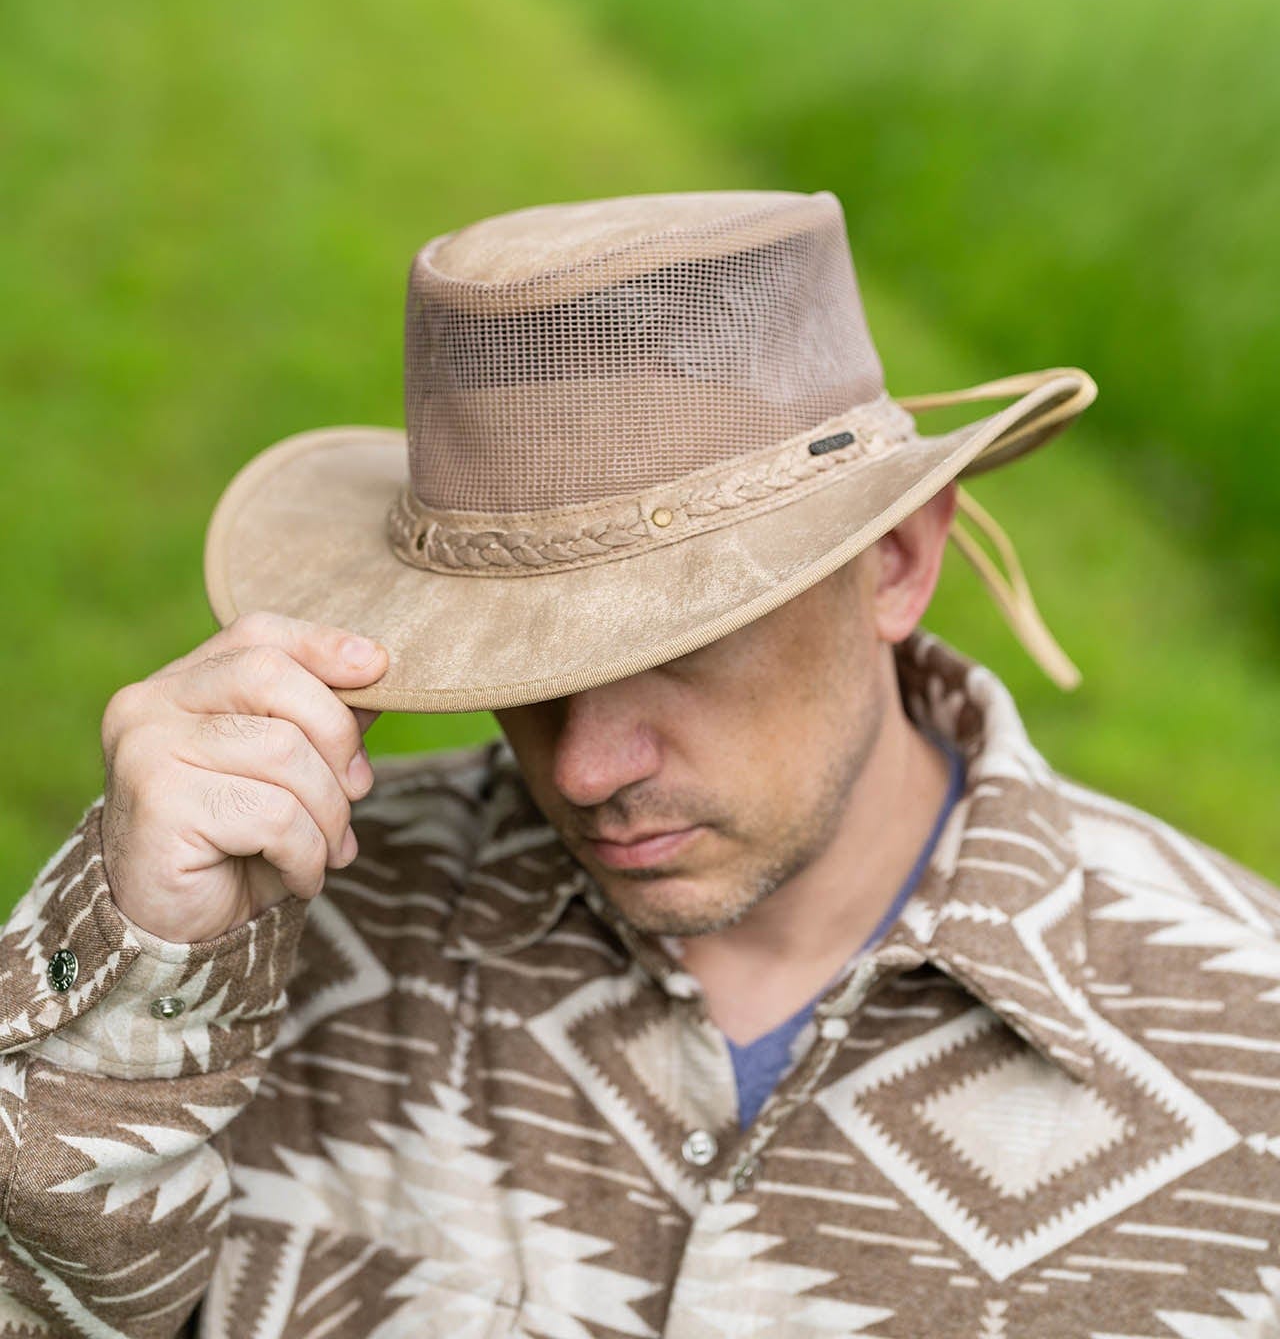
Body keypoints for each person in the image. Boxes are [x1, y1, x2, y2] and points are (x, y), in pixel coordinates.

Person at [2, 190, 1278, 1339]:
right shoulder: (272, 936)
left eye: (690, 642)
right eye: (519, 665)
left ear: (893, 564)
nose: (592, 764)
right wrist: (118, 990)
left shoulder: (1246, 1058)